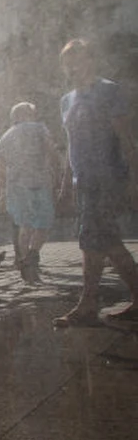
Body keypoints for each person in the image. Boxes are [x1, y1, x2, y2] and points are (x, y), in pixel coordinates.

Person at [53, 38, 138, 327]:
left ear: (91, 60)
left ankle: (88, 304)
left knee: (95, 239)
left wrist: (134, 180)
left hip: (108, 176)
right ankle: (99, 301)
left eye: (79, 59)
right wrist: (66, 183)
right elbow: (70, 146)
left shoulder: (109, 91)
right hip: (83, 181)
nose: (73, 66)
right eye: (68, 62)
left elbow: (126, 140)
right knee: (100, 241)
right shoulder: (66, 100)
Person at [0, 101, 58, 283]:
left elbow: (0, 168)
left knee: (25, 225)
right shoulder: (39, 128)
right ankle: (33, 254)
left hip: (16, 186)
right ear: (28, 115)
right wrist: (57, 170)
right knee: (44, 223)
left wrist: (2, 192)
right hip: (39, 182)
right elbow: (51, 150)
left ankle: (25, 260)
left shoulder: (5, 137)